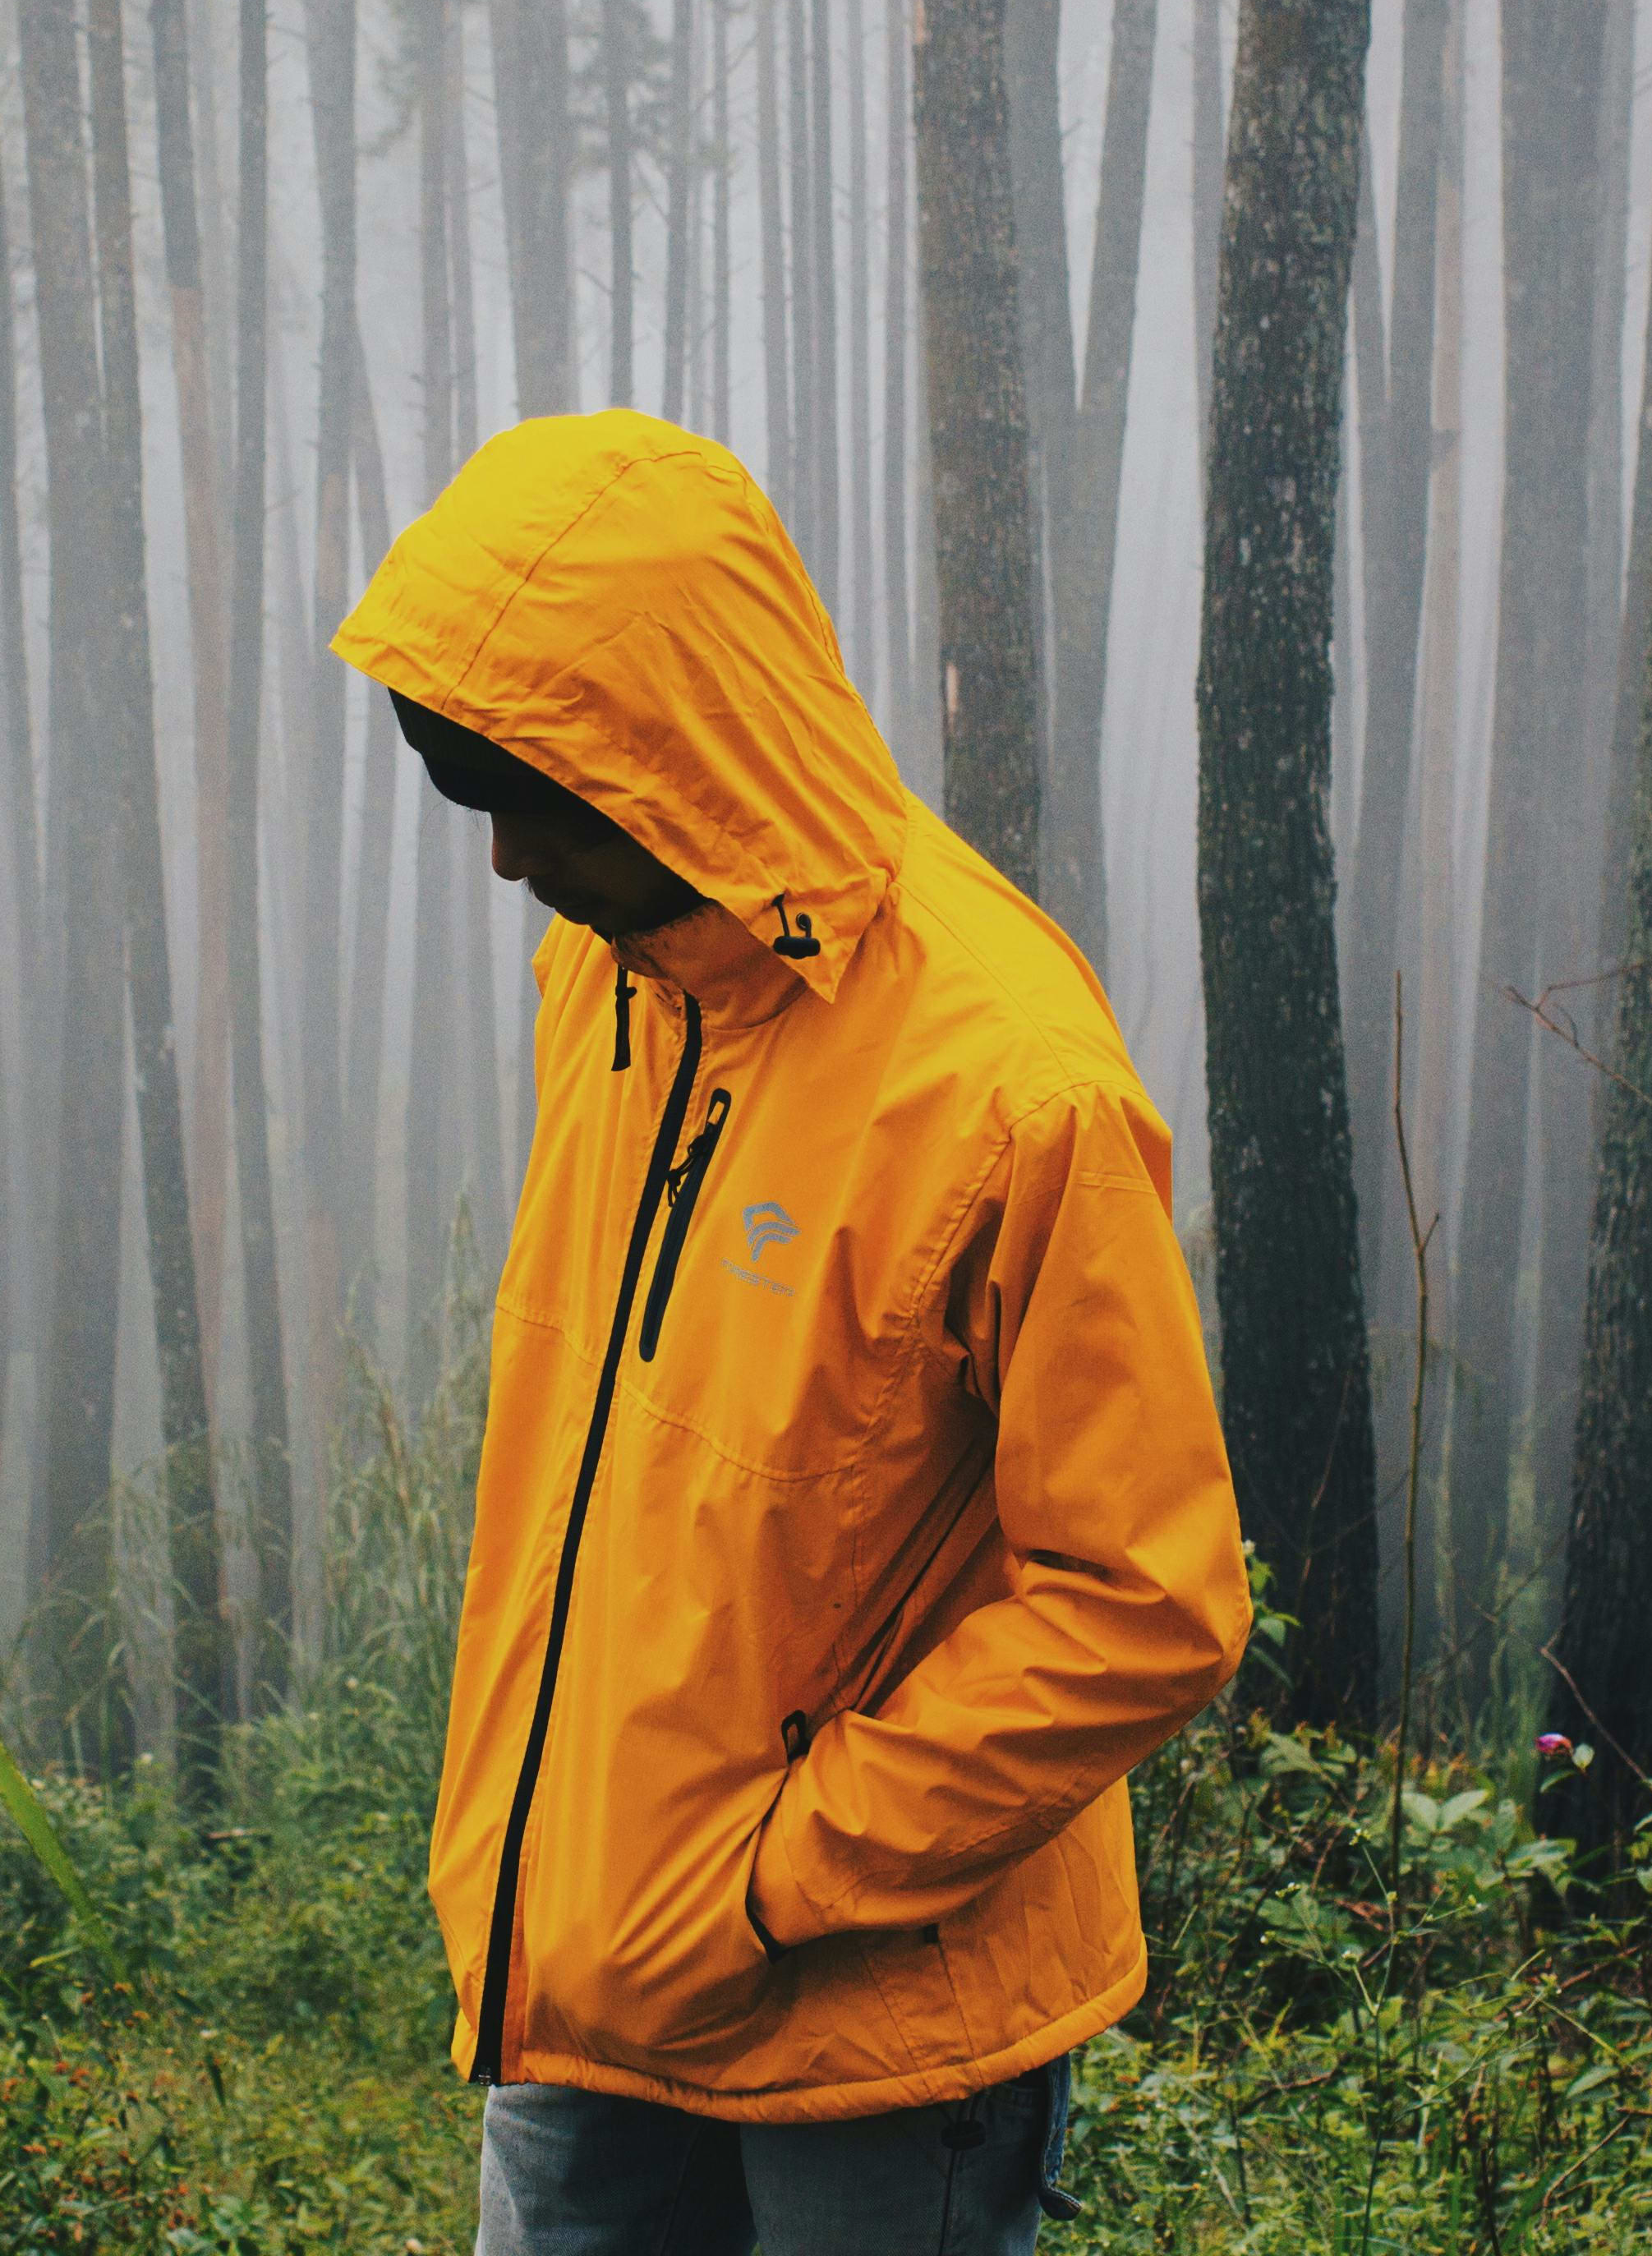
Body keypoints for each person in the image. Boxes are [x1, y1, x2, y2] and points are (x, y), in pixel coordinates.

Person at [330, 412, 1251, 2255]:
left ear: (678, 759)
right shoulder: (613, 975)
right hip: (582, 1966)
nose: (508, 860)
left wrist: (768, 1885)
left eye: (533, 797)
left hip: (870, 2039)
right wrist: (599, 1879)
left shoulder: (1009, 1090)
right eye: (467, 791)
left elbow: (1148, 1602)